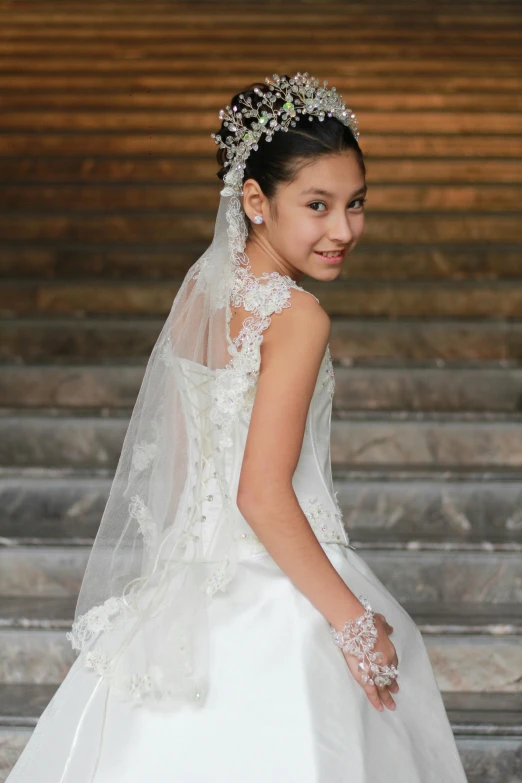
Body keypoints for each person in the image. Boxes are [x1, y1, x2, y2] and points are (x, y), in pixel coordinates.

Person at [6, 71, 468, 782]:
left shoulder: (202, 293)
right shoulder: (298, 316)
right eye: (317, 205)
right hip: (277, 597)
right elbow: (260, 491)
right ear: (255, 200)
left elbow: (191, 474)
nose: (343, 229)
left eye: (356, 204)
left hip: (191, 590)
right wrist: (350, 620)